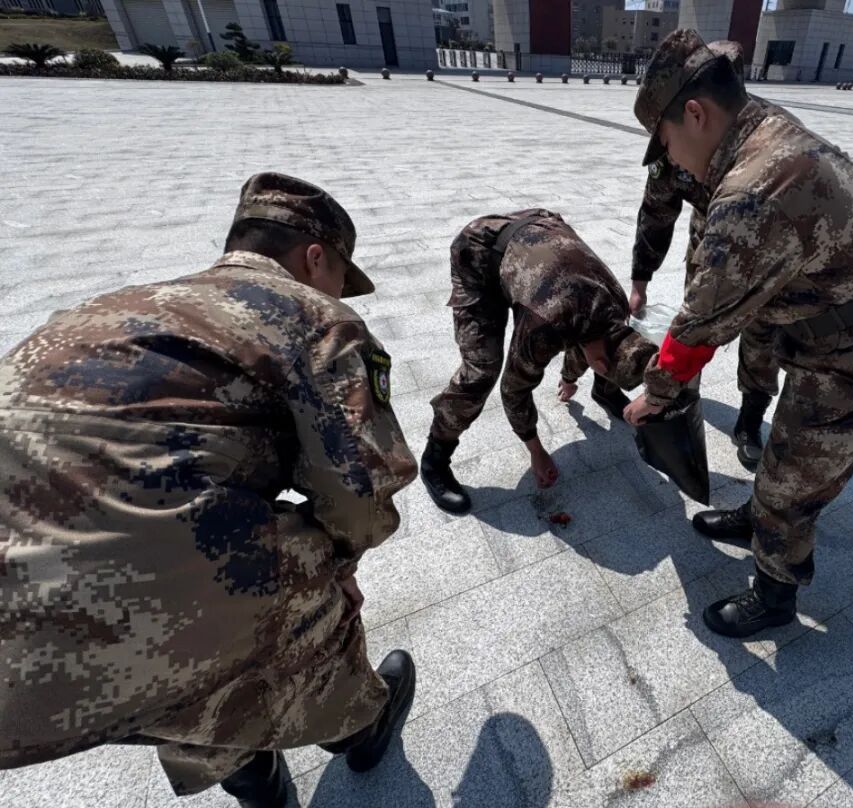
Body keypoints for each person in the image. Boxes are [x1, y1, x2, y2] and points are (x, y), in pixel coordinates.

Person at [0, 173, 418, 808]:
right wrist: (338, 568)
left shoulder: (105, 308)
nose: (338, 291)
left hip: (19, 658)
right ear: (315, 258)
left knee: (175, 682)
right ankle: (361, 728)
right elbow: (361, 494)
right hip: (155, 601)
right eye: (340, 275)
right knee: (254, 617)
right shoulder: (315, 317)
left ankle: (261, 791)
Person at [624, 31, 853, 639]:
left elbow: (701, 322)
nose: (671, 160)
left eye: (665, 141)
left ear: (695, 114)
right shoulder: (762, 128)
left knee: (792, 482)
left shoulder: (753, 191)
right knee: (787, 457)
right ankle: (757, 520)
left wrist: (655, 395)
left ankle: (774, 596)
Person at [421, 209, 658, 514]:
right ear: (600, 366)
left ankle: (604, 392)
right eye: (602, 371)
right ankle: (435, 458)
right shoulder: (545, 326)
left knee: (578, 328)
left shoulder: (616, 307)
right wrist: (536, 450)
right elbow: (514, 390)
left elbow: (586, 340)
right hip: (479, 253)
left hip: (535, 244)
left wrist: (569, 379)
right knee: (482, 371)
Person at [631, 41, 792, 472]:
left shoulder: (768, 140)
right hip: (710, 239)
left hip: (771, 246)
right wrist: (640, 281)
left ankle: (751, 418)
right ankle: (681, 401)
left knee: (762, 331)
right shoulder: (679, 141)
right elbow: (656, 213)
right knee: (695, 322)